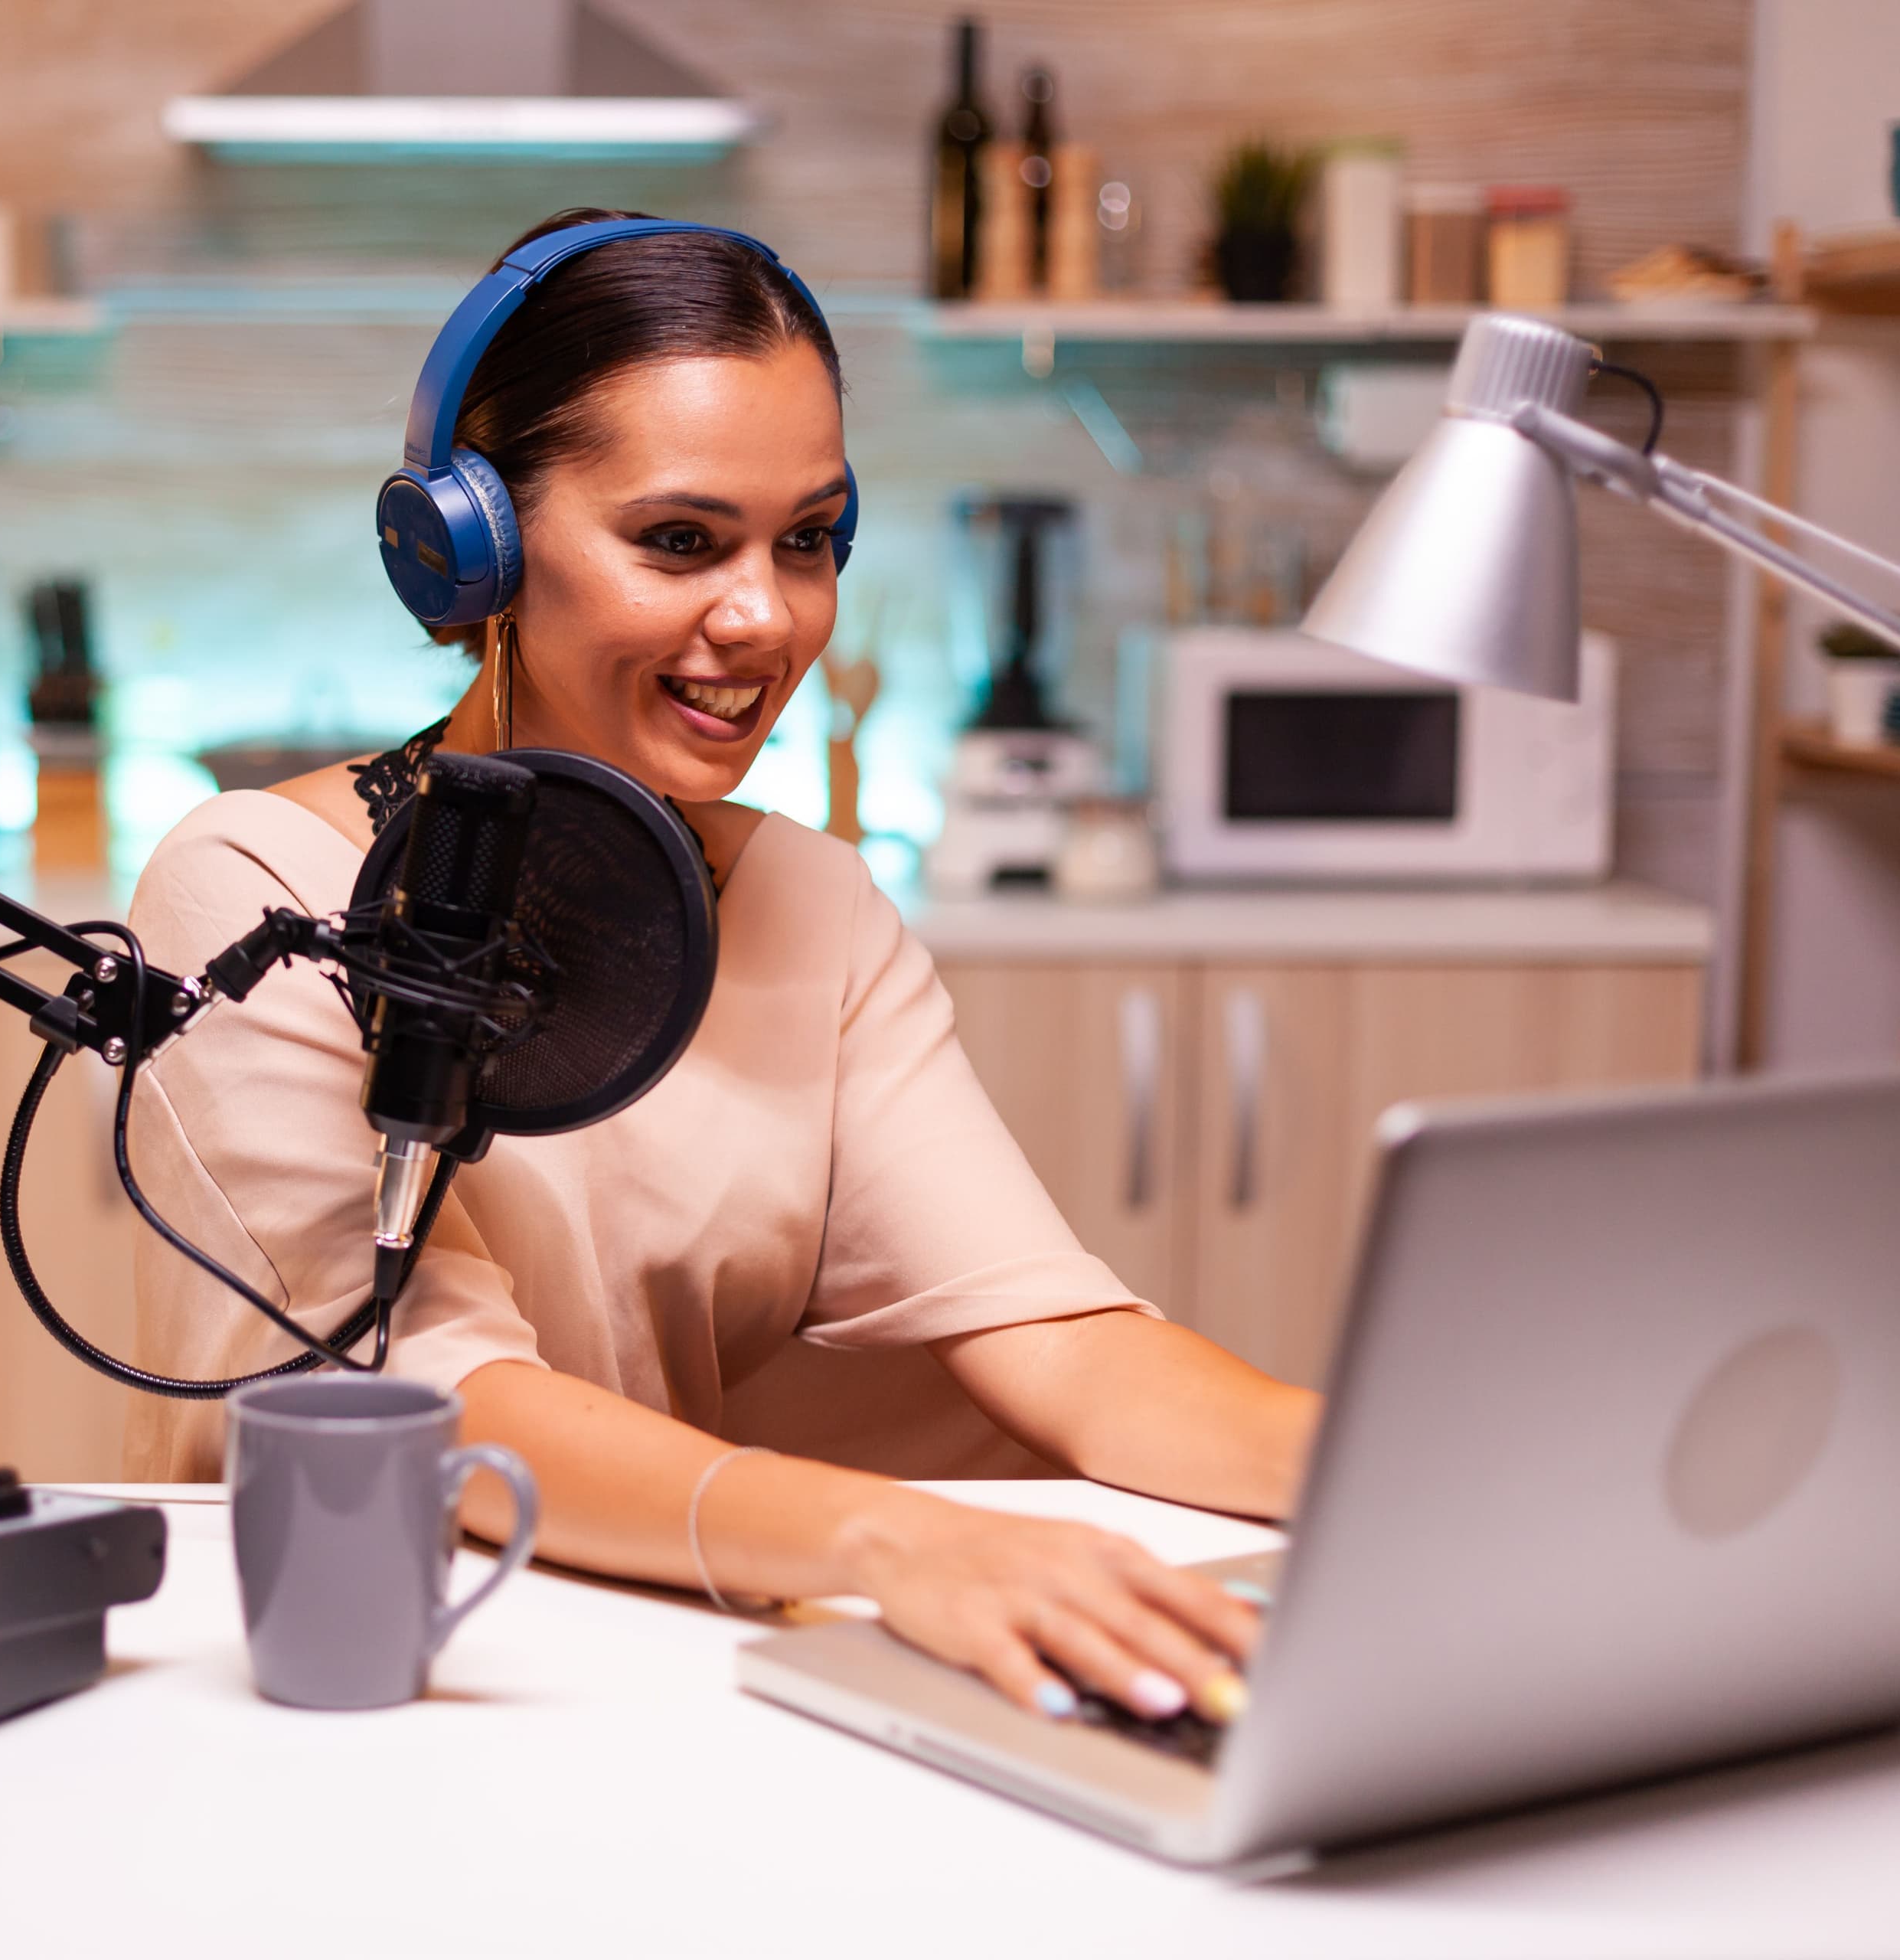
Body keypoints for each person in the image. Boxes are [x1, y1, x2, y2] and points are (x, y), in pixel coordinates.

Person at [122, 209, 1320, 1730]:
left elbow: (1058, 1342)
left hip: (653, 1673)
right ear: (471, 543)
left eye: (806, 540)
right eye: (681, 540)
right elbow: (428, 1395)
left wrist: (1396, 1463)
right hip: (354, 1686)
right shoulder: (257, 891)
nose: (765, 617)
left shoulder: (811, 905)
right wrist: (894, 1535)